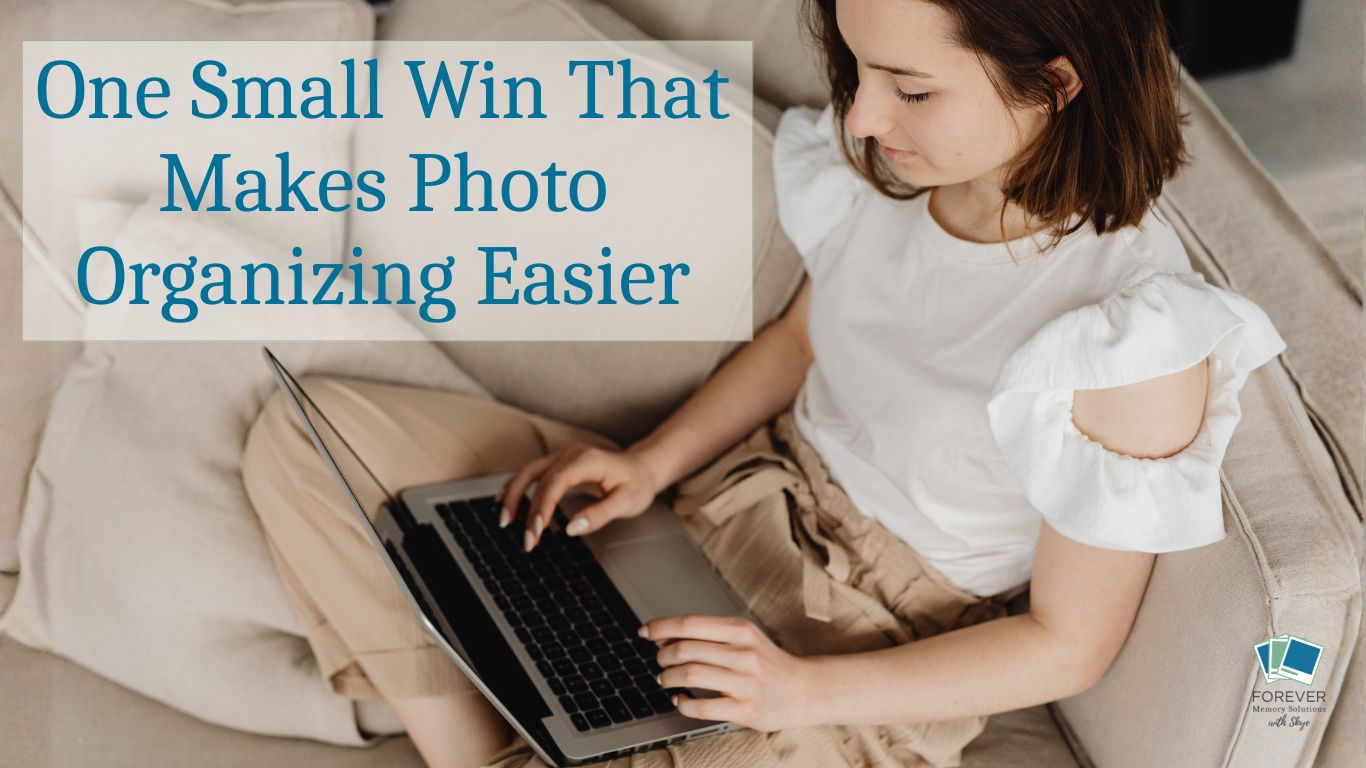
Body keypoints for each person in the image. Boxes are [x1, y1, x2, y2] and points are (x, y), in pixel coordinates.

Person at [241, 0, 1287, 766]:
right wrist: (646, 466)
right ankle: (490, 743)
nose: (867, 118)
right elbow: (804, 340)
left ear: (1056, 84)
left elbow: (1068, 647)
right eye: (862, 71)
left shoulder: (1130, 338)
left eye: (911, 87)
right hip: (715, 513)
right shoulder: (894, 178)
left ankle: (528, 723)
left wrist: (796, 689)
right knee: (310, 441)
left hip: (860, 644)